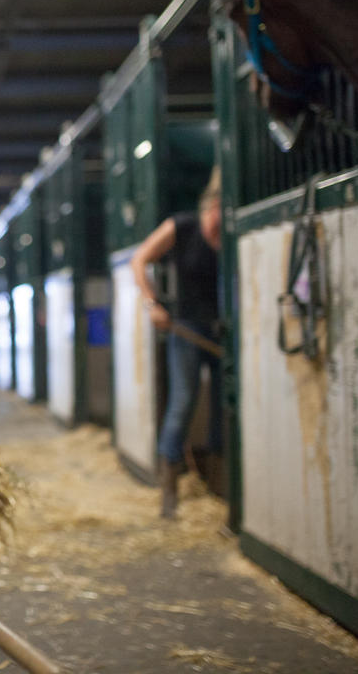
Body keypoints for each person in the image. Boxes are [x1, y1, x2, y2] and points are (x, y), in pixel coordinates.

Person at [130, 168, 223, 519]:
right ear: (207, 208)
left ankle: (217, 484)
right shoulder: (182, 227)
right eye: (215, 215)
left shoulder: (230, 230)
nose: (218, 226)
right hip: (186, 327)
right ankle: (169, 491)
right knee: (183, 402)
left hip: (223, 331)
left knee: (223, 407)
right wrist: (153, 304)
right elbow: (140, 260)